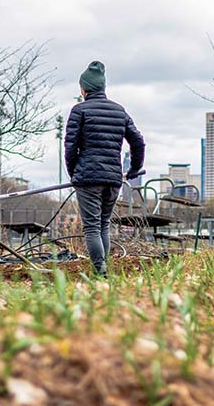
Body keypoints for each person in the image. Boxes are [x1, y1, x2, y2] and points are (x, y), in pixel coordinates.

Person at [64, 60, 145, 276]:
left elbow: (70, 146)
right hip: (112, 179)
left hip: (88, 178)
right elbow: (137, 141)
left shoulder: (79, 110)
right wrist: (135, 169)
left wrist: (74, 173)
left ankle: (100, 274)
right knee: (103, 225)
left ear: (84, 88)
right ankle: (103, 271)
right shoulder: (119, 111)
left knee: (91, 227)